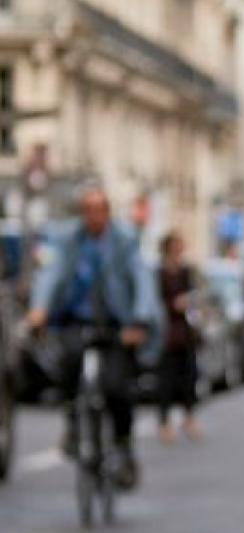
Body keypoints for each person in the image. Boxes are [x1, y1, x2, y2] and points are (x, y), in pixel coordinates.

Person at [26, 184, 161, 489]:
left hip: (116, 324)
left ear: (108, 212)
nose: (94, 216)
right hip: (76, 319)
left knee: (118, 388)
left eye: (100, 210)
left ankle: (123, 447)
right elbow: (51, 274)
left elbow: (141, 279)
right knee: (66, 364)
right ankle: (74, 424)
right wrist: (39, 309)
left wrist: (140, 319)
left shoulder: (125, 240)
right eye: (88, 210)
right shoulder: (67, 239)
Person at [155, 230, 202, 442]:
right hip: (166, 332)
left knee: (189, 377)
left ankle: (189, 417)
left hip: (185, 332)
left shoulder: (186, 271)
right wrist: (172, 305)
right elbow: (154, 301)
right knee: (166, 379)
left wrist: (191, 304)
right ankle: (164, 421)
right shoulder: (159, 272)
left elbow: (196, 296)